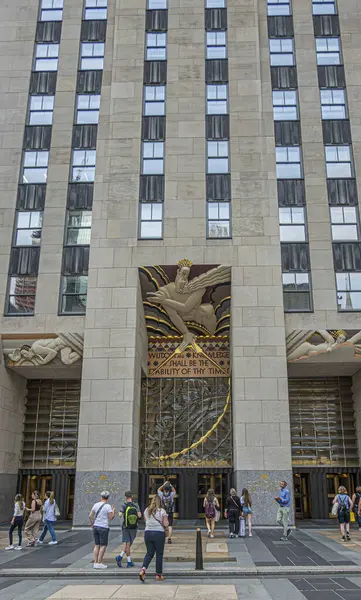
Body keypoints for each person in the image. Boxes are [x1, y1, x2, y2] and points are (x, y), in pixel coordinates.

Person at [139, 494, 168, 583]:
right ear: (160, 502)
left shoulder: (146, 510)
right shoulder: (162, 511)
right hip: (159, 533)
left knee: (149, 553)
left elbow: (146, 521)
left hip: (148, 533)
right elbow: (166, 523)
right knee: (159, 554)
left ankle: (143, 569)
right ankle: (158, 575)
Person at [115, 491, 142, 568]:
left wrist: (121, 513)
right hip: (134, 527)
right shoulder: (135, 505)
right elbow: (140, 516)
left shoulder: (124, 505)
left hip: (126, 527)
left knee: (127, 544)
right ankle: (129, 561)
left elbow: (120, 515)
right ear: (132, 497)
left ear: (126, 497)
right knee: (129, 544)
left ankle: (120, 557)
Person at [89, 490, 115, 569]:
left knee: (97, 545)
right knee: (103, 545)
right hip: (103, 527)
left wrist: (92, 523)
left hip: (96, 526)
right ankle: (99, 562)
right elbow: (111, 518)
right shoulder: (108, 506)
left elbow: (90, 516)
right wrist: (113, 511)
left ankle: (95, 562)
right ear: (108, 498)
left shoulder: (96, 505)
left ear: (101, 497)